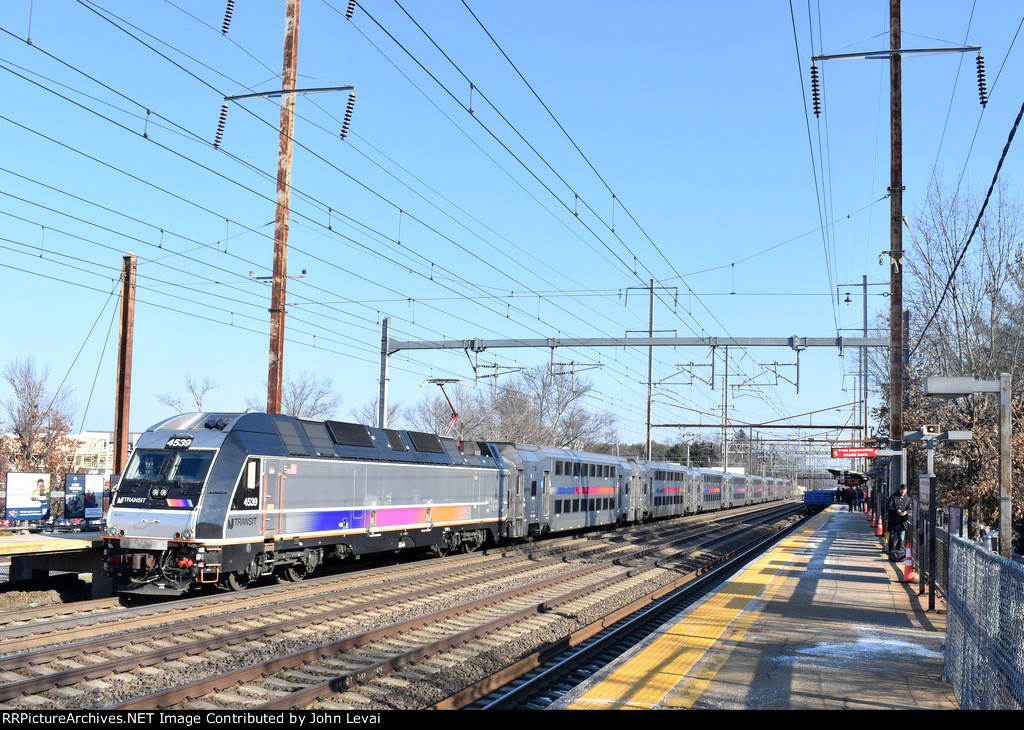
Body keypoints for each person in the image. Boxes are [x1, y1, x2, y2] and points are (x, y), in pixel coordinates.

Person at [888, 484, 912, 559]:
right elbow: (889, 507)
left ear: (906, 490)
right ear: (900, 489)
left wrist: (905, 512)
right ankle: (891, 552)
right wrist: (896, 511)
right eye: (902, 491)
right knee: (891, 537)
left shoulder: (908, 499)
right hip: (893, 521)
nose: (903, 493)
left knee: (901, 538)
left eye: (904, 491)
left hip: (902, 522)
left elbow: (910, 508)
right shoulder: (893, 497)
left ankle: (898, 552)